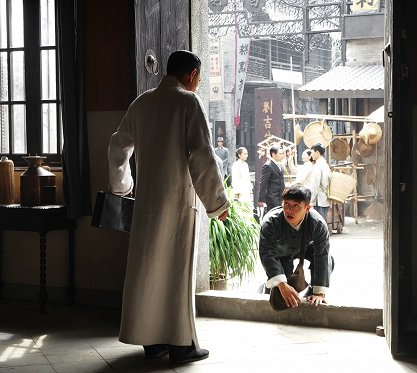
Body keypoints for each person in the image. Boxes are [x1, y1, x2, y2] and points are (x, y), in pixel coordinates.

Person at [108, 50, 230, 365]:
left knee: (148, 270)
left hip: (147, 202)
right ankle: (181, 345)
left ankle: (151, 340)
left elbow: (117, 146)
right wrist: (217, 202)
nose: (198, 83)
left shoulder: (142, 103)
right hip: (178, 203)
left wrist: (123, 185)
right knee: (177, 272)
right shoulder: (188, 102)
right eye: (199, 77)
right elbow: (201, 154)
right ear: (191, 74)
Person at [259, 184, 333, 308]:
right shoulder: (271, 221)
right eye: (286, 204)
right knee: (282, 294)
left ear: (307, 208)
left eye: (296, 206)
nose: (289, 210)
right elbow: (267, 253)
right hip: (281, 252)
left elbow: (322, 254)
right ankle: (268, 287)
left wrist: (319, 293)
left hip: (306, 248)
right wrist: (281, 284)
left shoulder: (318, 224)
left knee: (329, 260)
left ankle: (312, 290)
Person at [258, 146, 285, 212]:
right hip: (272, 196)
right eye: (280, 154)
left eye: (282, 153)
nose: (282, 155)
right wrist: (261, 198)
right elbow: (263, 182)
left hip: (281, 196)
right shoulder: (268, 166)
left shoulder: (280, 165)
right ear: (273, 154)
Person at [309, 143, 332, 220]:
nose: (311, 154)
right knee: (322, 223)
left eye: (312, 152)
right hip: (324, 199)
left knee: (318, 225)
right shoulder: (325, 164)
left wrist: (311, 200)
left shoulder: (318, 166)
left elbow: (315, 184)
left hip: (318, 200)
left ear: (317, 152)